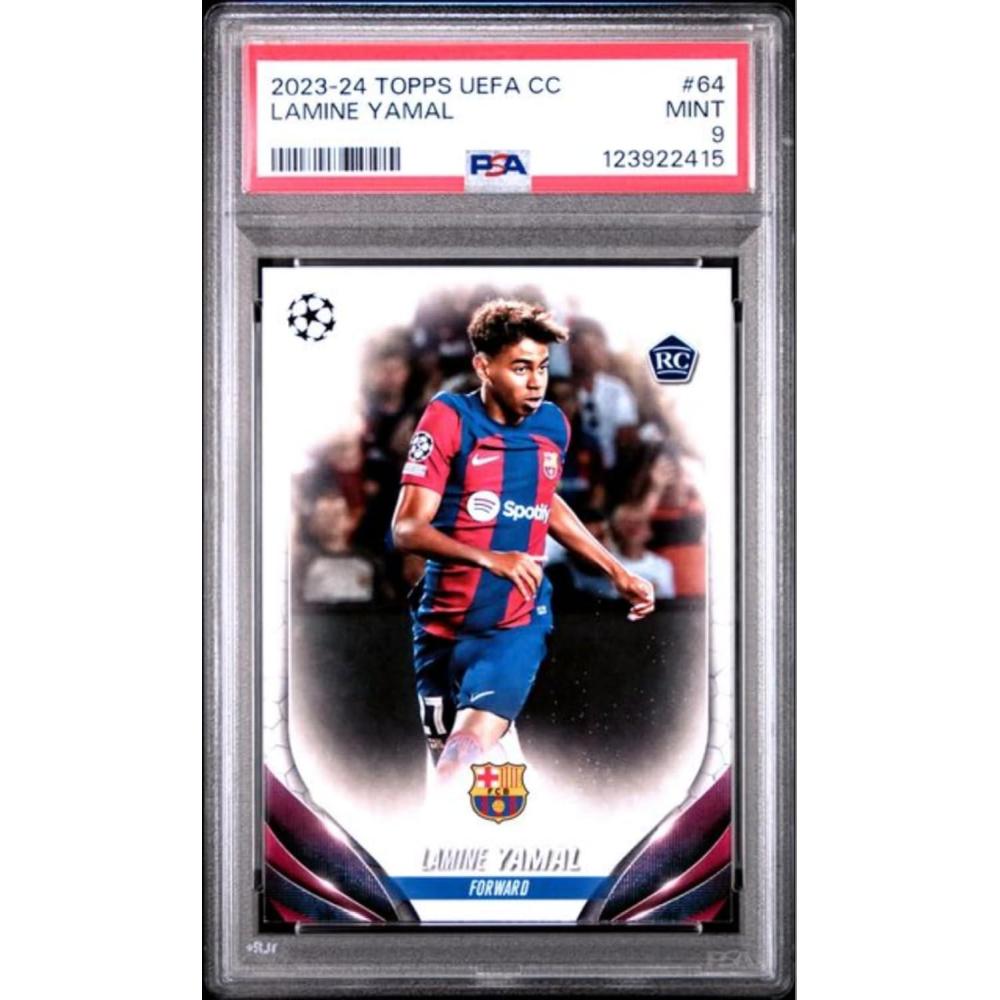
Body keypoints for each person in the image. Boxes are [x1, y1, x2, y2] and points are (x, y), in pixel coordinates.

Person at [391, 300, 655, 780]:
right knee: (463, 772)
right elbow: (406, 529)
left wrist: (617, 571)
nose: (536, 381)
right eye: (520, 368)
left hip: (513, 623)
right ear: (483, 367)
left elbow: (545, 498)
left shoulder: (552, 424)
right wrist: (490, 558)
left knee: (456, 767)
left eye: (543, 367)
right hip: (439, 626)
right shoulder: (450, 417)